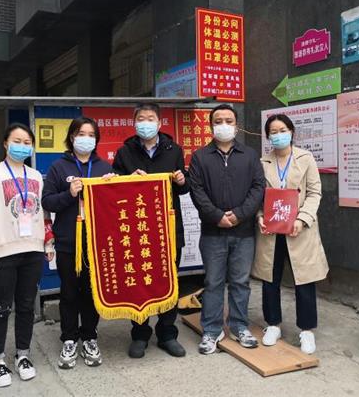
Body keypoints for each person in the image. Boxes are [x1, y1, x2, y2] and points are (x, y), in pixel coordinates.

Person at [0, 123, 54, 388]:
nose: (22, 146)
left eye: (27, 142)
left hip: (32, 250)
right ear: (5, 143)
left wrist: (48, 243)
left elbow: (43, 212)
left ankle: (23, 355)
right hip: (3, 252)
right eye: (17, 141)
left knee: (27, 306)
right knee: (1, 307)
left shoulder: (36, 176)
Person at [112, 103, 189, 359]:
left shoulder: (173, 149)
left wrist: (181, 180)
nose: (145, 122)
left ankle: (167, 333)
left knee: (170, 281)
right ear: (134, 123)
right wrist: (128, 179)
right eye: (141, 118)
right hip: (138, 227)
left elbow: (184, 188)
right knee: (140, 280)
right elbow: (113, 187)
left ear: (159, 123)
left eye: (150, 118)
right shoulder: (125, 152)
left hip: (168, 227)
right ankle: (140, 333)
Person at [188, 104, 266, 355]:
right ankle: (211, 330)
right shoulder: (200, 157)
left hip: (244, 233)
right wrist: (217, 216)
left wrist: (240, 214)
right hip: (213, 232)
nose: (224, 125)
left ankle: (239, 326)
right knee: (213, 282)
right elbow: (196, 191)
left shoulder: (250, 155)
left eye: (228, 120)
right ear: (211, 126)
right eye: (218, 121)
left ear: (236, 125)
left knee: (241, 282)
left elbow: (258, 187)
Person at [253, 114, 328, 355]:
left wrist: (302, 219)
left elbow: (315, 193)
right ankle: (273, 325)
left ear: (292, 132)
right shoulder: (262, 162)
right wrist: (260, 216)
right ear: (268, 136)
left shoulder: (306, 158)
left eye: (282, 130)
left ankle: (306, 330)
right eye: (273, 132)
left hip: (299, 230)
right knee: (270, 279)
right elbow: (257, 196)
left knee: (304, 280)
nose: (278, 135)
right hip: (272, 230)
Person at [42, 117, 114, 369]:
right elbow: (47, 202)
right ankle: (70, 338)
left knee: (92, 292)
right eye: (81, 134)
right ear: (72, 137)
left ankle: (90, 337)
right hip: (67, 242)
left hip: (96, 243)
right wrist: (69, 194)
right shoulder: (58, 167)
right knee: (69, 293)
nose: (86, 139)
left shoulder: (104, 167)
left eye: (91, 135)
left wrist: (112, 187)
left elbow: (115, 206)